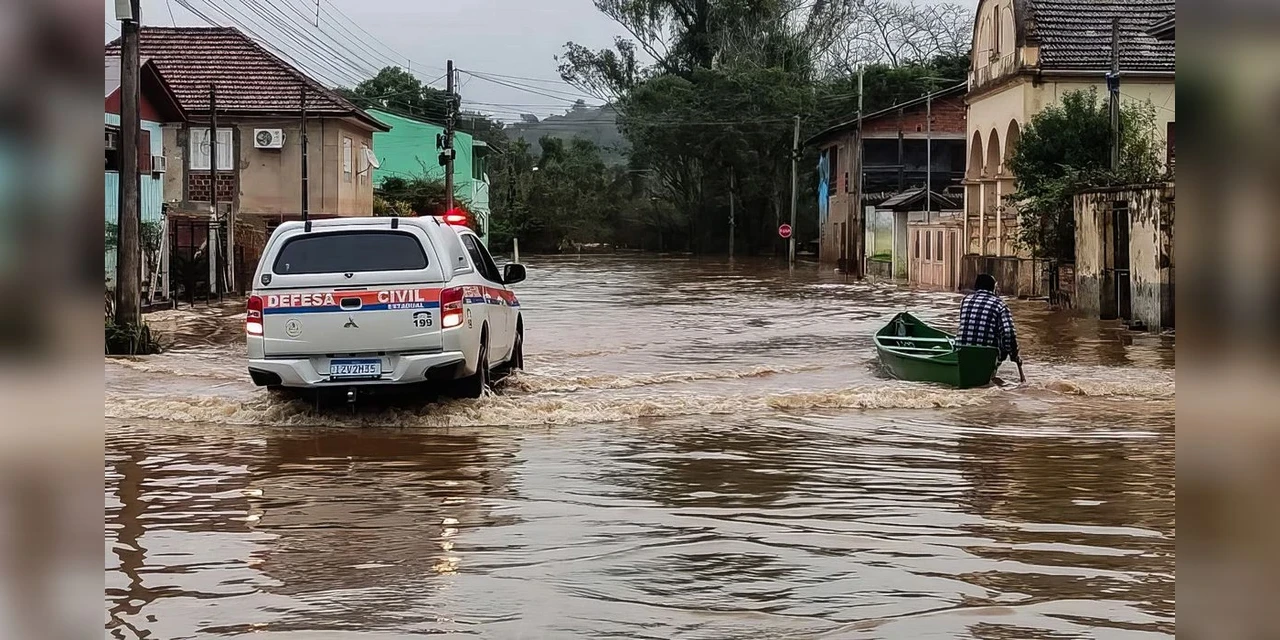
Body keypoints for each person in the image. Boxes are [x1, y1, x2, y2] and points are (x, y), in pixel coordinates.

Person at [957, 273, 1021, 365]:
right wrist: (1013, 354)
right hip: (987, 354)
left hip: (961, 350)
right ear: (993, 288)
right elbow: (1008, 333)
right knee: (1003, 341)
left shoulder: (965, 301)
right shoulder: (1000, 305)